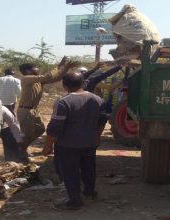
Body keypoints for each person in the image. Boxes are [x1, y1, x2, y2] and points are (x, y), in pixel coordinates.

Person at [43, 72, 107, 210]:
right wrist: (97, 136)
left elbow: (54, 127)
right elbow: (102, 121)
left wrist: (47, 146)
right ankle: (89, 192)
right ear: (83, 83)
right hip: (90, 142)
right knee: (89, 168)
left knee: (70, 172)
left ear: (64, 85)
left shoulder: (63, 102)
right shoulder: (98, 99)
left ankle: (75, 200)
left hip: (68, 144)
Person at [17, 57, 79, 162]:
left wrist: (65, 67)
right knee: (26, 133)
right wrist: (60, 66)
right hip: (25, 110)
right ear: (28, 71)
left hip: (34, 110)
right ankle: (20, 152)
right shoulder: (27, 78)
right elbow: (48, 76)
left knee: (40, 129)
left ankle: (21, 148)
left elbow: (56, 78)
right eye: (35, 68)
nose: (38, 69)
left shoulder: (38, 81)